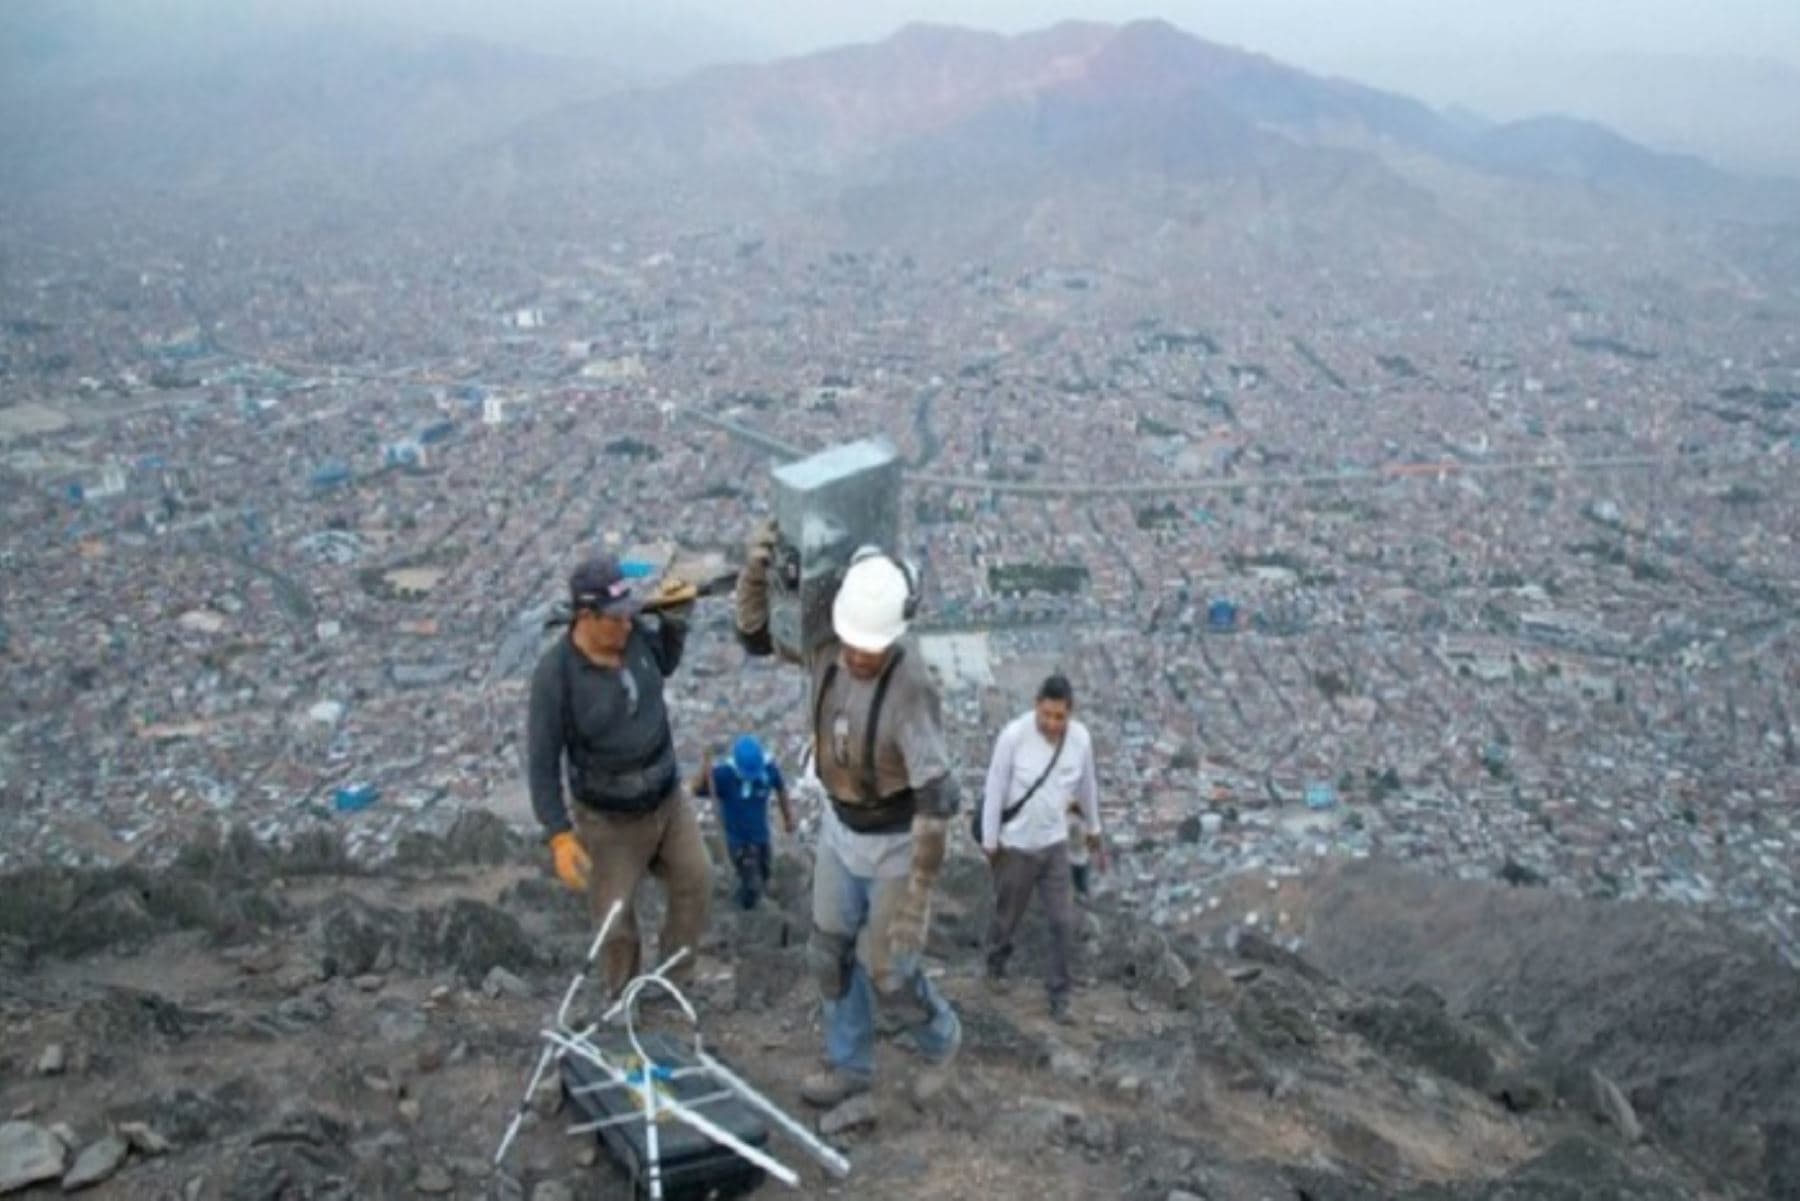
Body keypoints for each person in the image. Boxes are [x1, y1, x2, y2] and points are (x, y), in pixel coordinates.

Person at [737, 523, 962, 1109]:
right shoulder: (826, 649)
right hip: (842, 827)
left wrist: (918, 892)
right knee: (829, 953)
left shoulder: (910, 685)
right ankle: (850, 1064)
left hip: (893, 840)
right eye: (855, 642)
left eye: (872, 646)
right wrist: (755, 577)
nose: (860, 655)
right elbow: (759, 637)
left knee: (888, 969)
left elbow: (936, 795)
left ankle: (942, 1041)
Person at [527, 553, 711, 997]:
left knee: (696, 879)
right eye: (615, 619)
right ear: (586, 617)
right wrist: (559, 834)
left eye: (629, 615)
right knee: (616, 922)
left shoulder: (634, 637)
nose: (627, 625)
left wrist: (675, 623)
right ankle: (623, 1001)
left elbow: (662, 663)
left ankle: (673, 984)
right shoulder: (557, 676)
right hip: (609, 820)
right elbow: (542, 762)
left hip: (666, 800)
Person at [979, 674, 1104, 1024]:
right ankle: (995, 963)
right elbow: (995, 787)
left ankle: (1059, 994)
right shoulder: (1014, 737)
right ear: (1036, 706)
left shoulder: (1080, 741)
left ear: (1070, 713)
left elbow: (1086, 787)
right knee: (1008, 916)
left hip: (1054, 844)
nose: (1051, 723)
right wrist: (990, 841)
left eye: (1059, 717)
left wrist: (1094, 828)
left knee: (1062, 921)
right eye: (1046, 715)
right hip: (1016, 845)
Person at [692, 734, 797, 910]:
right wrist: (704, 768)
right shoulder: (725, 775)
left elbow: (780, 788)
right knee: (751, 884)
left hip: (761, 837)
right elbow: (695, 788)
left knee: (764, 874)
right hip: (738, 841)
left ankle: (747, 900)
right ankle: (745, 912)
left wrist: (788, 817)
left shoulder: (769, 769)